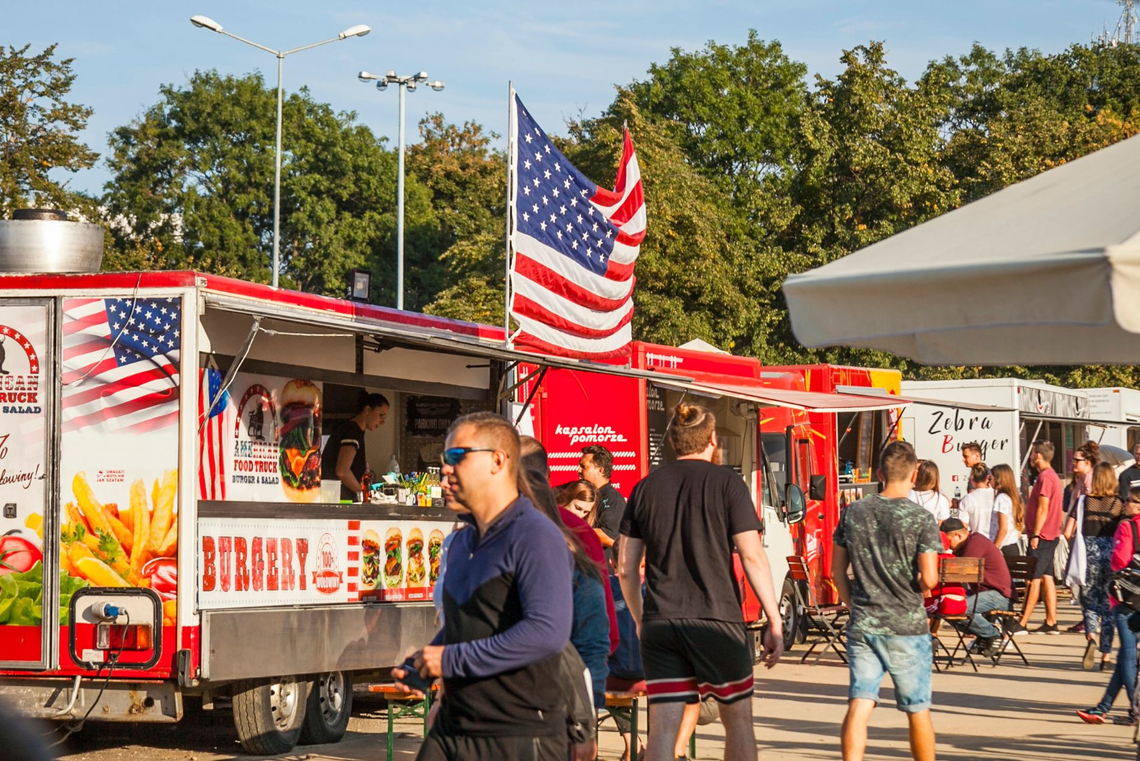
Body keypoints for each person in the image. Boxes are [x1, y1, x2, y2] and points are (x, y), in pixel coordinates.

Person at [395, 412, 575, 761]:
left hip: (519, 732)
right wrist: (422, 664)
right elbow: (469, 622)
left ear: (497, 460)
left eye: (457, 456)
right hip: (455, 726)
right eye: (444, 459)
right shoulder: (462, 544)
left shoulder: (535, 535)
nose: (446, 468)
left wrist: (452, 659)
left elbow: (547, 632)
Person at [618, 402, 783, 761]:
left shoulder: (644, 488)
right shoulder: (728, 484)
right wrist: (774, 618)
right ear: (711, 439)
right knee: (737, 722)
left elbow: (626, 568)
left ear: (674, 442)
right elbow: (752, 556)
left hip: (661, 621)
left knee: (662, 728)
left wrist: (640, 618)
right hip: (717, 620)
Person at [832, 440, 941, 761]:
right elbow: (930, 579)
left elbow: (837, 571)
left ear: (880, 472)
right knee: (917, 709)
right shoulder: (921, 518)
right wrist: (919, 583)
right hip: (907, 625)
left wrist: (853, 605)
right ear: (915, 473)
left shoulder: (854, 512)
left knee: (860, 703)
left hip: (865, 622)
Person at [1076, 485, 1140, 726]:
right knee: (1126, 654)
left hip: (1127, 598)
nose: (1126, 504)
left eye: (1131, 501)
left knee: (1127, 655)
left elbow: (1119, 560)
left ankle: (1135, 709)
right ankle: (1102, 708)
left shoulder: (1128, 525)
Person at [1064, 461, 1125, 670]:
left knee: (1089, 601)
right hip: (1111, 558)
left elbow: (1067, 531)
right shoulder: (1118, 504)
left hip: (1087, 557)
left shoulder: (1083, 502)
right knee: (1108, 607)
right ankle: (1106, 655)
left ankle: (1091, 635)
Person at [939, 518, 1014, 656]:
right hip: (985, 593)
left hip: (999, 594)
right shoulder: (966, 544)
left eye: (948, 541)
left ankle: (993, 634)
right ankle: (984, 635)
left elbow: (961, 572)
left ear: (958, 535)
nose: (948, 546)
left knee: (957, 607)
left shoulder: (975, 542)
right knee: (943, 605)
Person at [1013, 440, 1064, 636]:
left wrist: (1035, 534)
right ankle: (1051, 621)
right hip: (1050, 534)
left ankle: (1023, 622)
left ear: (1038, 456)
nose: (1031, 456)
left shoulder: (1045, 478)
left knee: (1033, 578)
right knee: (1047, 576)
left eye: (1033, 453)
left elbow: (1043, 507)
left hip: (1042, 535)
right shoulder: (1052, 476)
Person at [320, 391, 389, 501]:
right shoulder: (352, 430)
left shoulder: (353, 430)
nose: (382, 422)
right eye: (381, 415)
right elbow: (342, 471)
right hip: (339, 499)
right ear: (367, 410)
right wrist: (364, 494)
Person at [580, 444, 627, 562]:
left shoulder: (612, 499)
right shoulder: (588, 496)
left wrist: (573, 528)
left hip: (602, 573)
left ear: (600, 470)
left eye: (583, 467)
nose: (578, 471)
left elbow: (610, 536)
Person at [990, 464, 1024, 559]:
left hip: (1004, 546)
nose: (989, 481)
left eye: (991, 478)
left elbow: (1003, 528)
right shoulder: (1012, 497)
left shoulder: (1001, 498)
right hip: (1011, 544)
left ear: (998, 479)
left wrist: (994, 548)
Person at [956, 463, 994, 537]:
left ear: (972, 480)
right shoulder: (998, 495)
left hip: (978, 540)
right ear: (987, 478)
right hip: (997, 542)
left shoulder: (967, 499)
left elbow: (964, 525)